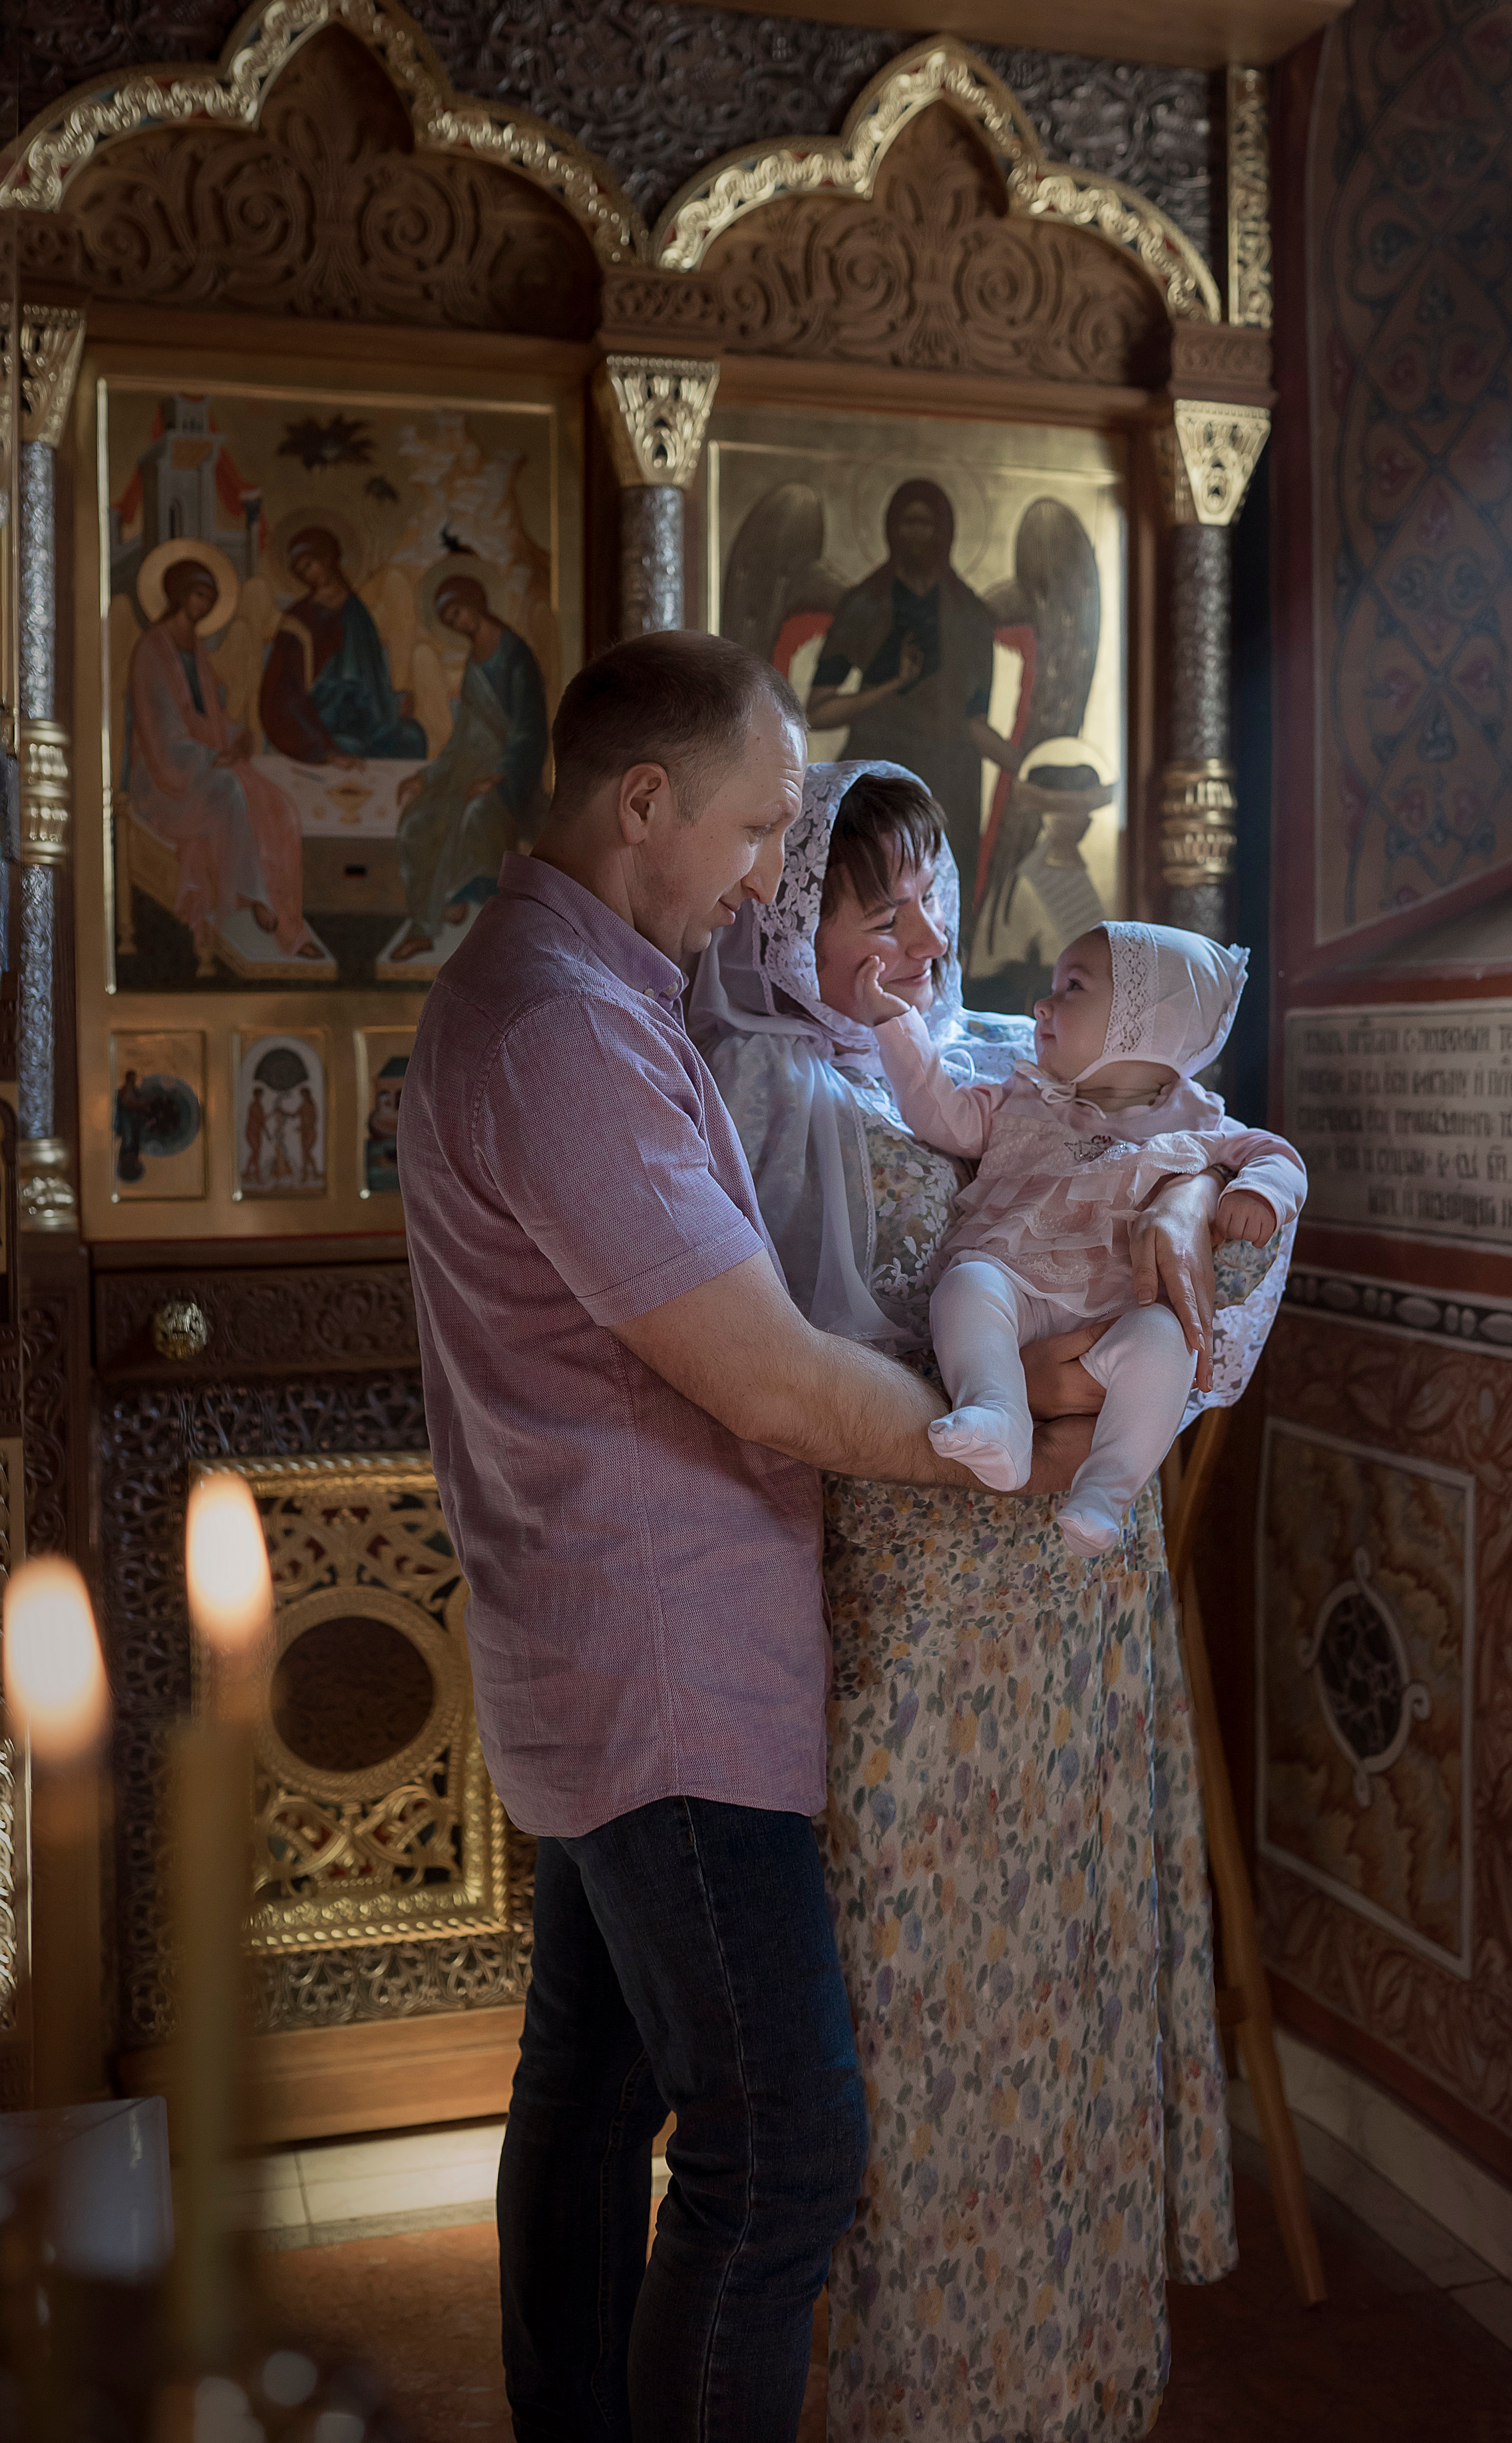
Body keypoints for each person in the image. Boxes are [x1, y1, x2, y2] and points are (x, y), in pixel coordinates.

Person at [398, 635, 1102, 2443]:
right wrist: (1013, 1437)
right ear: (645, 805)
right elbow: (775, 1386)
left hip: (608, 1641)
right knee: (784, 2155)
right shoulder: (565, 1027)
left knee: (589, 2082)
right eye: (757, 829)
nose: (766, 873)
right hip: (664, 1663)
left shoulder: (589, 985)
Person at [691, 759, 1286, 2442]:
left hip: (1074, 1609)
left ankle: (1076, 2382)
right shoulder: (751, 1088)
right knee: (911, 2013)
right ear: (782, 908)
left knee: (1066, 1983)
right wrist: (1047, 1375)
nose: (916, 930)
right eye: (865, 895)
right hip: (914, 1601)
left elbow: (1205, 1162)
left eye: (930, 883)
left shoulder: (996, 1059)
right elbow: (787, 1377)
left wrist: (1190, 1192)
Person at [862, 919, 1307, 1553]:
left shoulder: (1200, 1121)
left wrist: (1258, 1192)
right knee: (965, 1286)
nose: (1041, 1005)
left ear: (1146, 1024)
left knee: (1167, 1341)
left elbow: (1279, 1156)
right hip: (1016, 1291)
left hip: (1114, 1317)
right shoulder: (1023, 1096)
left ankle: (1106, 1492)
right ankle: (997, 1413)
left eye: (1072, 986)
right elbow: (943, 1116)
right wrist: (895, 1024)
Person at [807, 479, 1018, 892]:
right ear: (891, 529)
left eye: (927, 524)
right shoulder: (864, 604)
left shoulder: (972, 616)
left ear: (946, 533)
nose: (917, 535)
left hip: (951, 782)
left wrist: (1029, 769)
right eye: (908, 523)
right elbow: (817, 712)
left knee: (943, 902)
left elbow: (975, 721)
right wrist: (890, 686)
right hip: (880, 776)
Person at [127, 556, 318, 963]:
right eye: (198, 595)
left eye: (210, 599)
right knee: (233, 788)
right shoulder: (151, 649)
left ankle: (278, 902)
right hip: (162, 777)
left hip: (199, 763)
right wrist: (216, 755)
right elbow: (160, 731)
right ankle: (258, 896)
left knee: (277, 804)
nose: (203, 606)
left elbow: (206, 719)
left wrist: (240, 739)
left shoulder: (196, 650)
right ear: (179, 595)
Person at [390, 576, 549, 963]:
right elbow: (463, 735)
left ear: (475, 601)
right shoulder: (473, 660)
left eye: (458, 612)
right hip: (466, 772)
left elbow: (530, 724)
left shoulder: (514, 654)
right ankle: (432, 917)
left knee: (476, 815)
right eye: (449, 620)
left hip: (511, 775)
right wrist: (426, 776)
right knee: (416, 821)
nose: (459, 622)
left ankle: (454, 906)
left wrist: (502, 775)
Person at [259, 525, 428, 764]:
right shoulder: (298, 620)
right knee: (348, 747)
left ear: (327, 558)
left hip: (368, 719)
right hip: (324, 722)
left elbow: (373, 675)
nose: (306, 576)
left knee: (411, 737)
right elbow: (284, 689)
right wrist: (321, 747)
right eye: (300, 572)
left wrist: (394, 703)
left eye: (308, 565)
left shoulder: (357, 611)